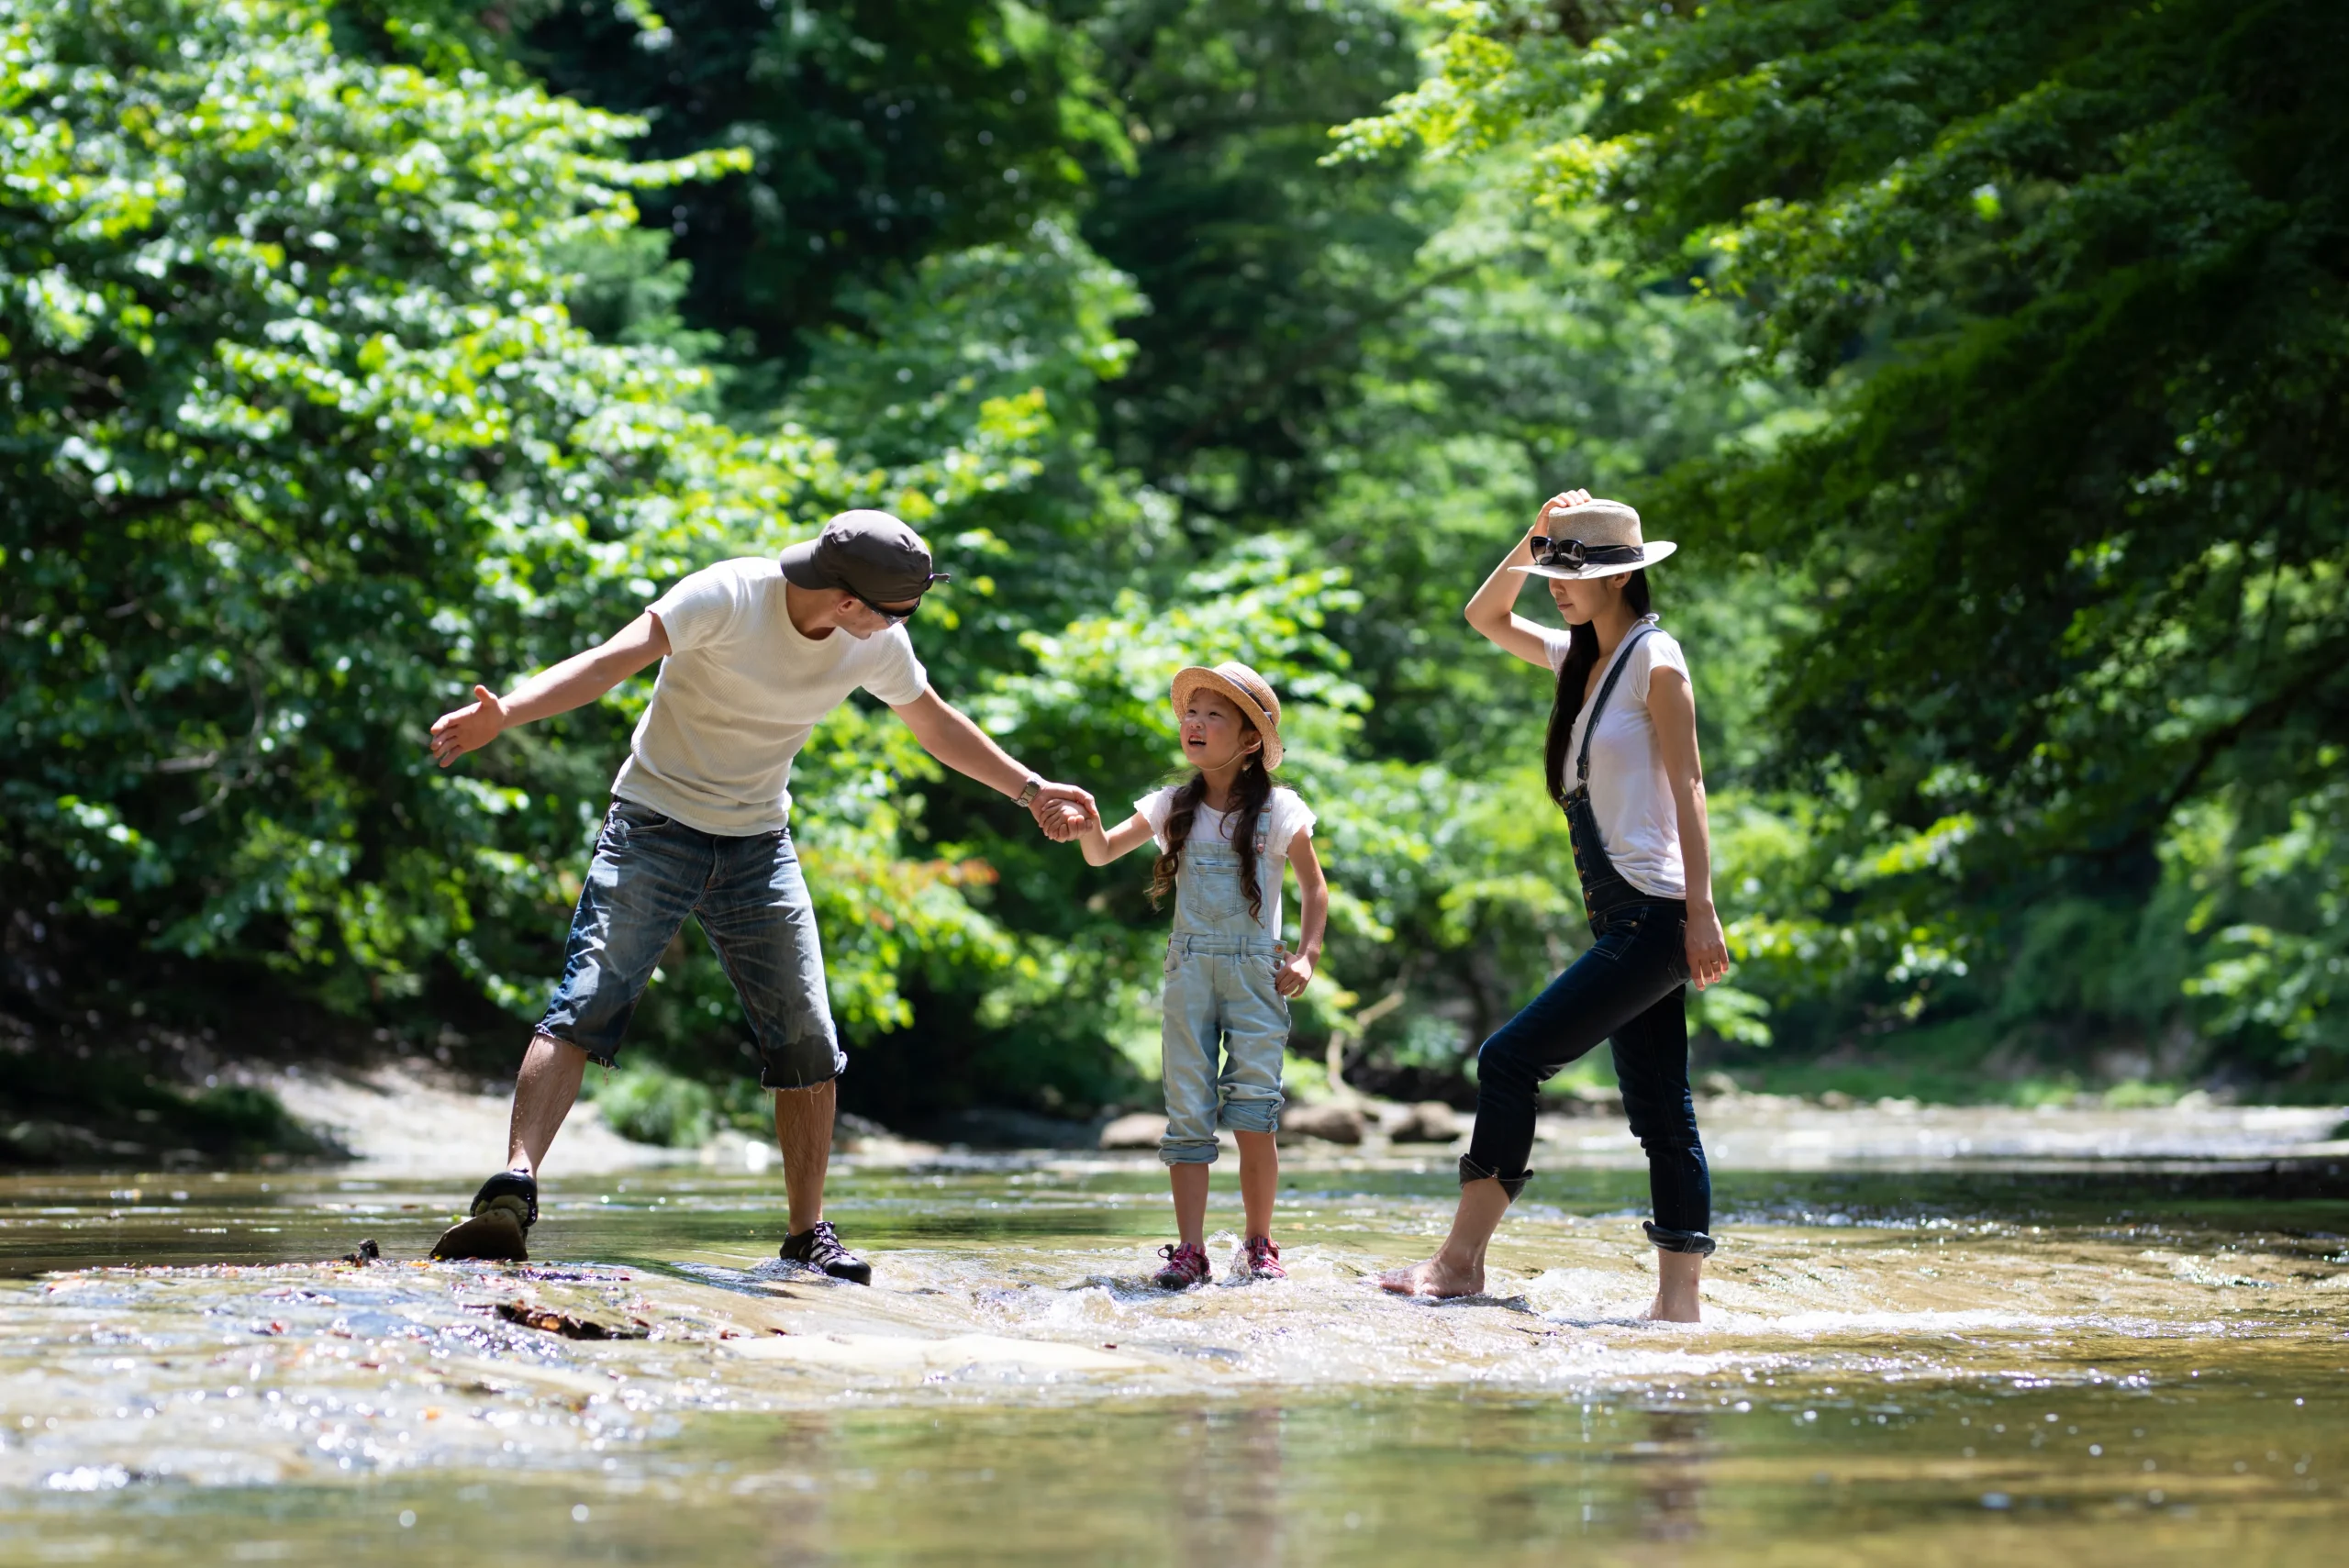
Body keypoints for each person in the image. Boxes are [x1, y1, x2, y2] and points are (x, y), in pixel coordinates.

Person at [422, 511, 1097, 1281]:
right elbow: (612, 661)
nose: (902, 625)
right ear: (850, 602)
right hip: (652, 825)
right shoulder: (727, 596)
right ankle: (514, 1185)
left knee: (807, 1035)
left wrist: (1031, 788)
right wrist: (506, 712)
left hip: (757, 846)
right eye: (898, 610)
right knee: (587, 999)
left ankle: (807, 1233)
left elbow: (933, 722)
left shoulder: (875, 643)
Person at [1380, 492, 1731, 1320]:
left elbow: (1691, 784)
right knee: (1660, 1109)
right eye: (1550, 568)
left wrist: (1702, 910)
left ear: (1618, 577)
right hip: (1623, 919)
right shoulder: (1582, 661)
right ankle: (1678, 1306)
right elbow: (1483, 613)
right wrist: (1535, 530)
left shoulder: (1657, 658)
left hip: (1655, 911)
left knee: (1509, 1059)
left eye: (1566, 571)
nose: (1552, 585)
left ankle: (1460, 1262)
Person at [1076, 663, 1328, 1288]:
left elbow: (1314, 888)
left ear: (1249, 741)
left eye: (1215, 715)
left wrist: (1306, 955)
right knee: (1187, 1113)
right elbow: (1104, 849)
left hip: (1256, 975)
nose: (1196, 722)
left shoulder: (1282, 809)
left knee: (1254, 1111)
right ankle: (1189, 1250)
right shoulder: (1170, 804)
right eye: (1193, 711)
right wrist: (1082, 823)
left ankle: (1259, 1243)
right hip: (1188, 972)